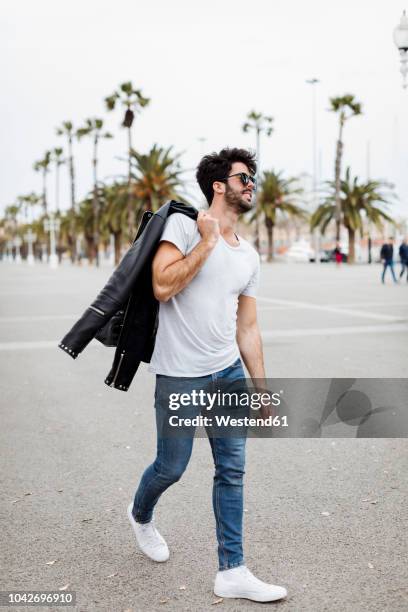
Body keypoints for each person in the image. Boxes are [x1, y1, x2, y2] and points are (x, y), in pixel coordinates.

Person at [127, 148, 287, 603]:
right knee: (171, 467)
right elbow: (162, 285)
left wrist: (262, 389)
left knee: (232, 471)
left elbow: (248, 327)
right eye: (243, 176)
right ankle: (140, 514)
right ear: (219, 185)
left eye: (254, 176)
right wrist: (208, 240)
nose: (251, 182)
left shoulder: (250, 256)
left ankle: (232, 570)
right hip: (179, 375)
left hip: (228, 373)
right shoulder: (182, 226)